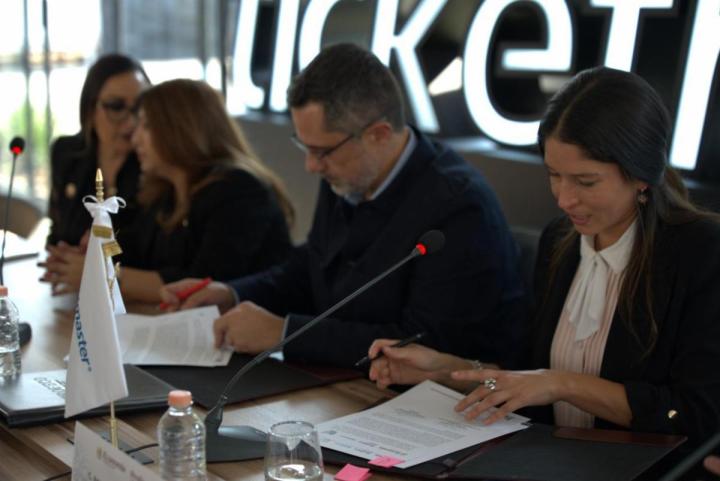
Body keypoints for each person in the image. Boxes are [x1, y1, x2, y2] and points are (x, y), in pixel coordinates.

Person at [366, 67, 720, 445]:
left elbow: (695, 414)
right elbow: (529, 380)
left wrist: (563, 384)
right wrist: (445, 370)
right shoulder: (560, 240)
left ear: (641, 174)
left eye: (585, 181)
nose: (564, 199)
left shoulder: (702, 251)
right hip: (555, 459)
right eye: (554, 175)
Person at [160, 43, 525, 369]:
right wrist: (232, 293)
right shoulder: (348, 174)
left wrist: (283, 333)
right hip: (343, 385)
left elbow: (421, 345)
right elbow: (312, 268)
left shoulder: (458, 208)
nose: (311, 166)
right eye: (305, 147)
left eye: (321, 151)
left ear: (379, 134)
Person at [44, 79, 294, 303]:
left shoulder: (239, 190)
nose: (135, 138)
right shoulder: (166, 191)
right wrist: (95, 254)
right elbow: (139, 253)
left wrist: (105, 277)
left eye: (146, 126)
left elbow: (202, 285)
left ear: (180, 129)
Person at [42, 53, 149, 294]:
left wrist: (94, 264)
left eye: (139, 107)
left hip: (130, 298)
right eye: (116, 107)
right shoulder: (66, 153)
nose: (131, 122)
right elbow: (57, 232)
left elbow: (151, 253)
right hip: (72, 293)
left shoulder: (154, 163)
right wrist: (64, 258)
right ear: (90, 109)